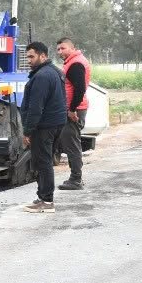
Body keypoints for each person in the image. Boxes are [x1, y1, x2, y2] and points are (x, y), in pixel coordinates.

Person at [19, 41, 68, 212]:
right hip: (56, 124)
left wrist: (27, 131)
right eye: (28, 57)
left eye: (32, 57)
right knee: (44, 162)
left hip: (44, 126)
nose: (29, 60)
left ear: (43, 56)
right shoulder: (56, 71)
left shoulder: (41, 77)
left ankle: (46, 201)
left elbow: (35, 107)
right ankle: (43, 197)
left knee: (43, 163)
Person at [55, 37, 90, 191]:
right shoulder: (74, 61)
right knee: (71, 143)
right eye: (58, 49)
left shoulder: (75, 63)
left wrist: (72, 109)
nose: (60, 52)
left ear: (71, 48)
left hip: (74, 109)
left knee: (72, 145)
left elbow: (80, 88)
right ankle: (76, 177)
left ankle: (76, 179)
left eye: (63, 48)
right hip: (73, 108)